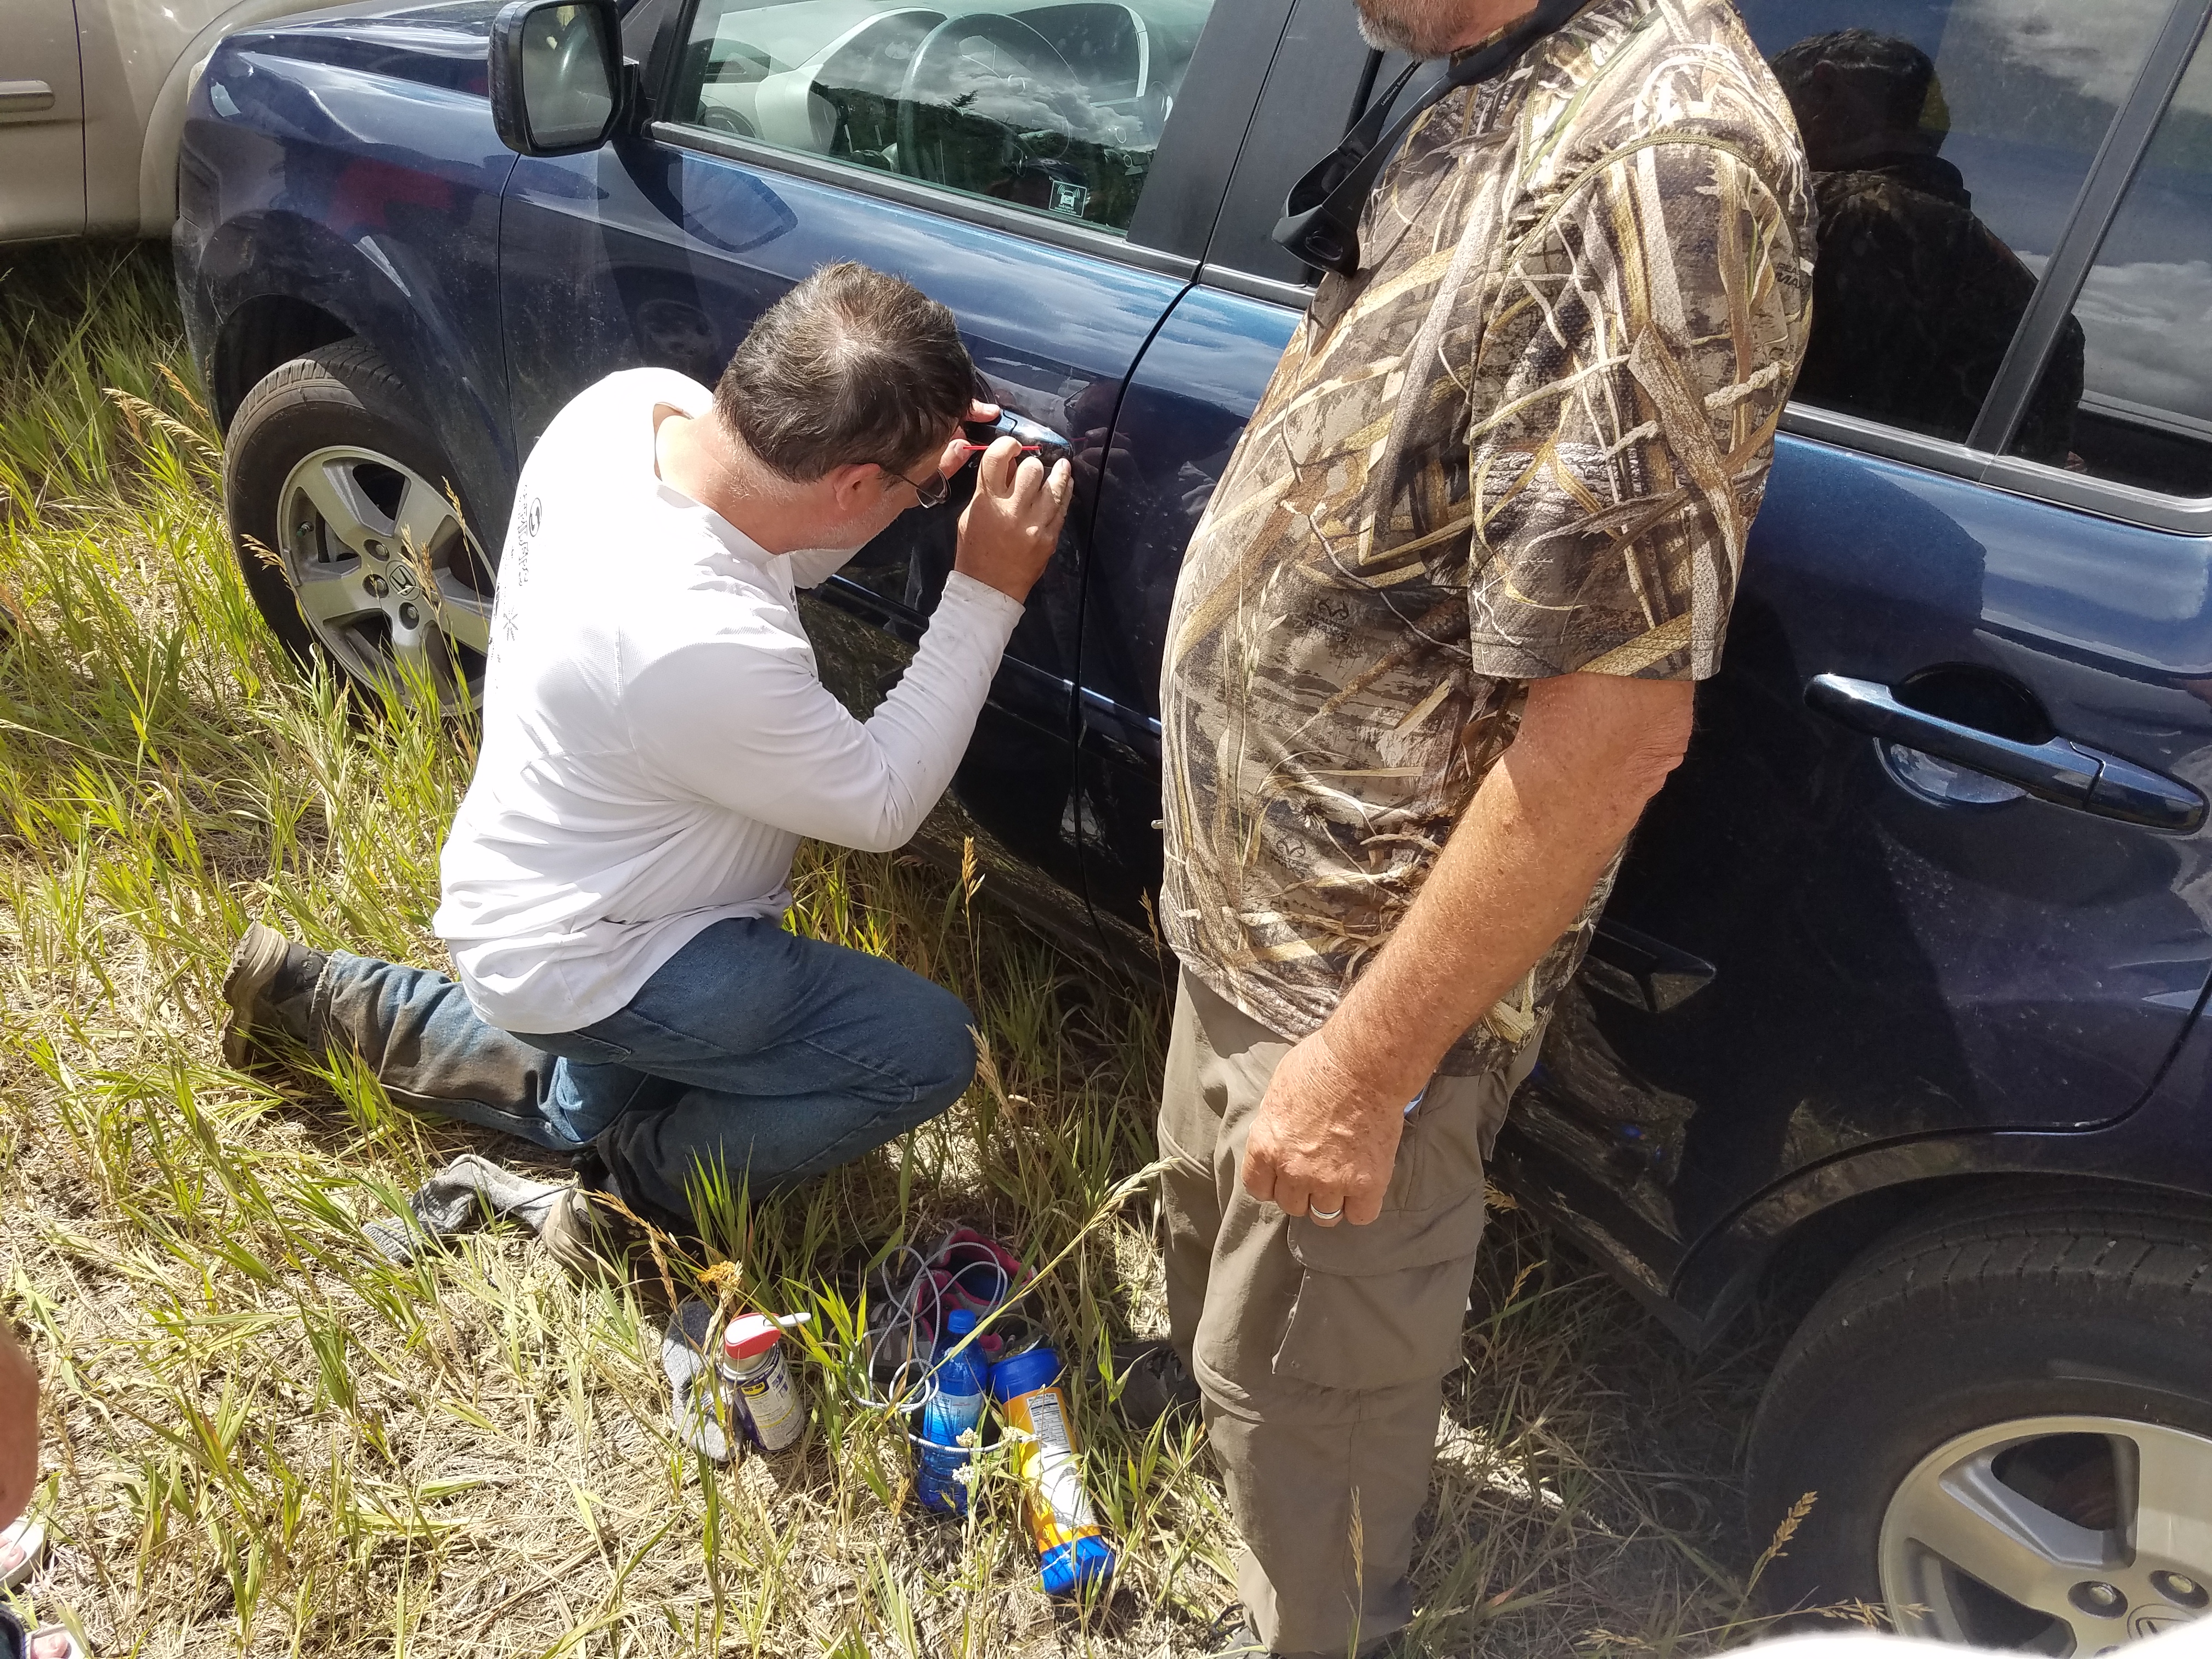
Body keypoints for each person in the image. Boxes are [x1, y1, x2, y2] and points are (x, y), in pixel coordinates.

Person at [1117, 0, 1814, 1652]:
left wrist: (1362, 1076)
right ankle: (1215, 1468)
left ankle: (1316, 1625)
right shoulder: (1497, 67)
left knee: (1317, 1402)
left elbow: (1610, 739)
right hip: (1256, 901)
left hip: (1356, 978)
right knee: (1218, 1291)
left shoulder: (1666, 161)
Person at [221, 262, 1073, 1262]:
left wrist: (915, 438)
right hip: (613, 942)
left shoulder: (633, 413)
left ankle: (320, 997)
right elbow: (884, 803)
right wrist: (985, 586)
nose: (930, 497)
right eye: (922, 487)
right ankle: (634, 1203)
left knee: (585, 1083)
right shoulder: (697, 643)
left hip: (535, 888)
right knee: (922, 1048)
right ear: (851, 482)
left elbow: (779, 538)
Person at [1771, 27, 2085, 465]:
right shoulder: (1984, 259)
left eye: (1767, 109)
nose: (1764, 133)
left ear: (1824, 92)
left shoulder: (1829, 212)